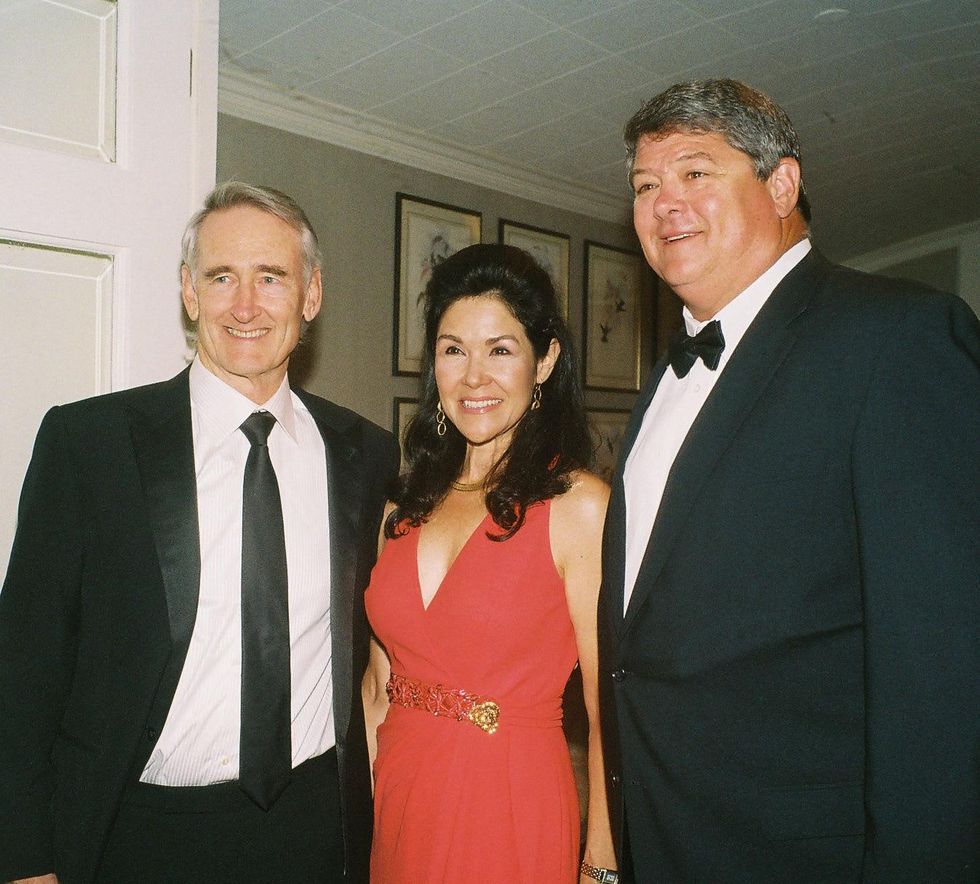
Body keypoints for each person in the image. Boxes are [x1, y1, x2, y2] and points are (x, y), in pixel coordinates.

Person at [598, 78, 980, 883]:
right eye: (645, 184)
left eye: (697, 172)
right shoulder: (662, 383)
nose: (665, 202)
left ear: (782, 183)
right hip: (662, 837)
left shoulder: (896, 338)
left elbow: (946, 667)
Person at [0, 182, 399, 884]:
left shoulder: (365, 454)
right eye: (222, 277)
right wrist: (26, 858)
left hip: (314, 831)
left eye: (270, 277)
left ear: (310, 295)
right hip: (140, 836)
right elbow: (23, 672)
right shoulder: (89, 445)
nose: (246, 306)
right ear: (189, 292)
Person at [362, 243, 617, 883]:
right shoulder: (401, 505)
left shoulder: (579, 505)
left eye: (500, 349)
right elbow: (376, 687)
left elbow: (609, 706)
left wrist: (604, 866)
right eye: (454, 350)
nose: (474, 377)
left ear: (545, 359)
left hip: (508, 805)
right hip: (399, 802)